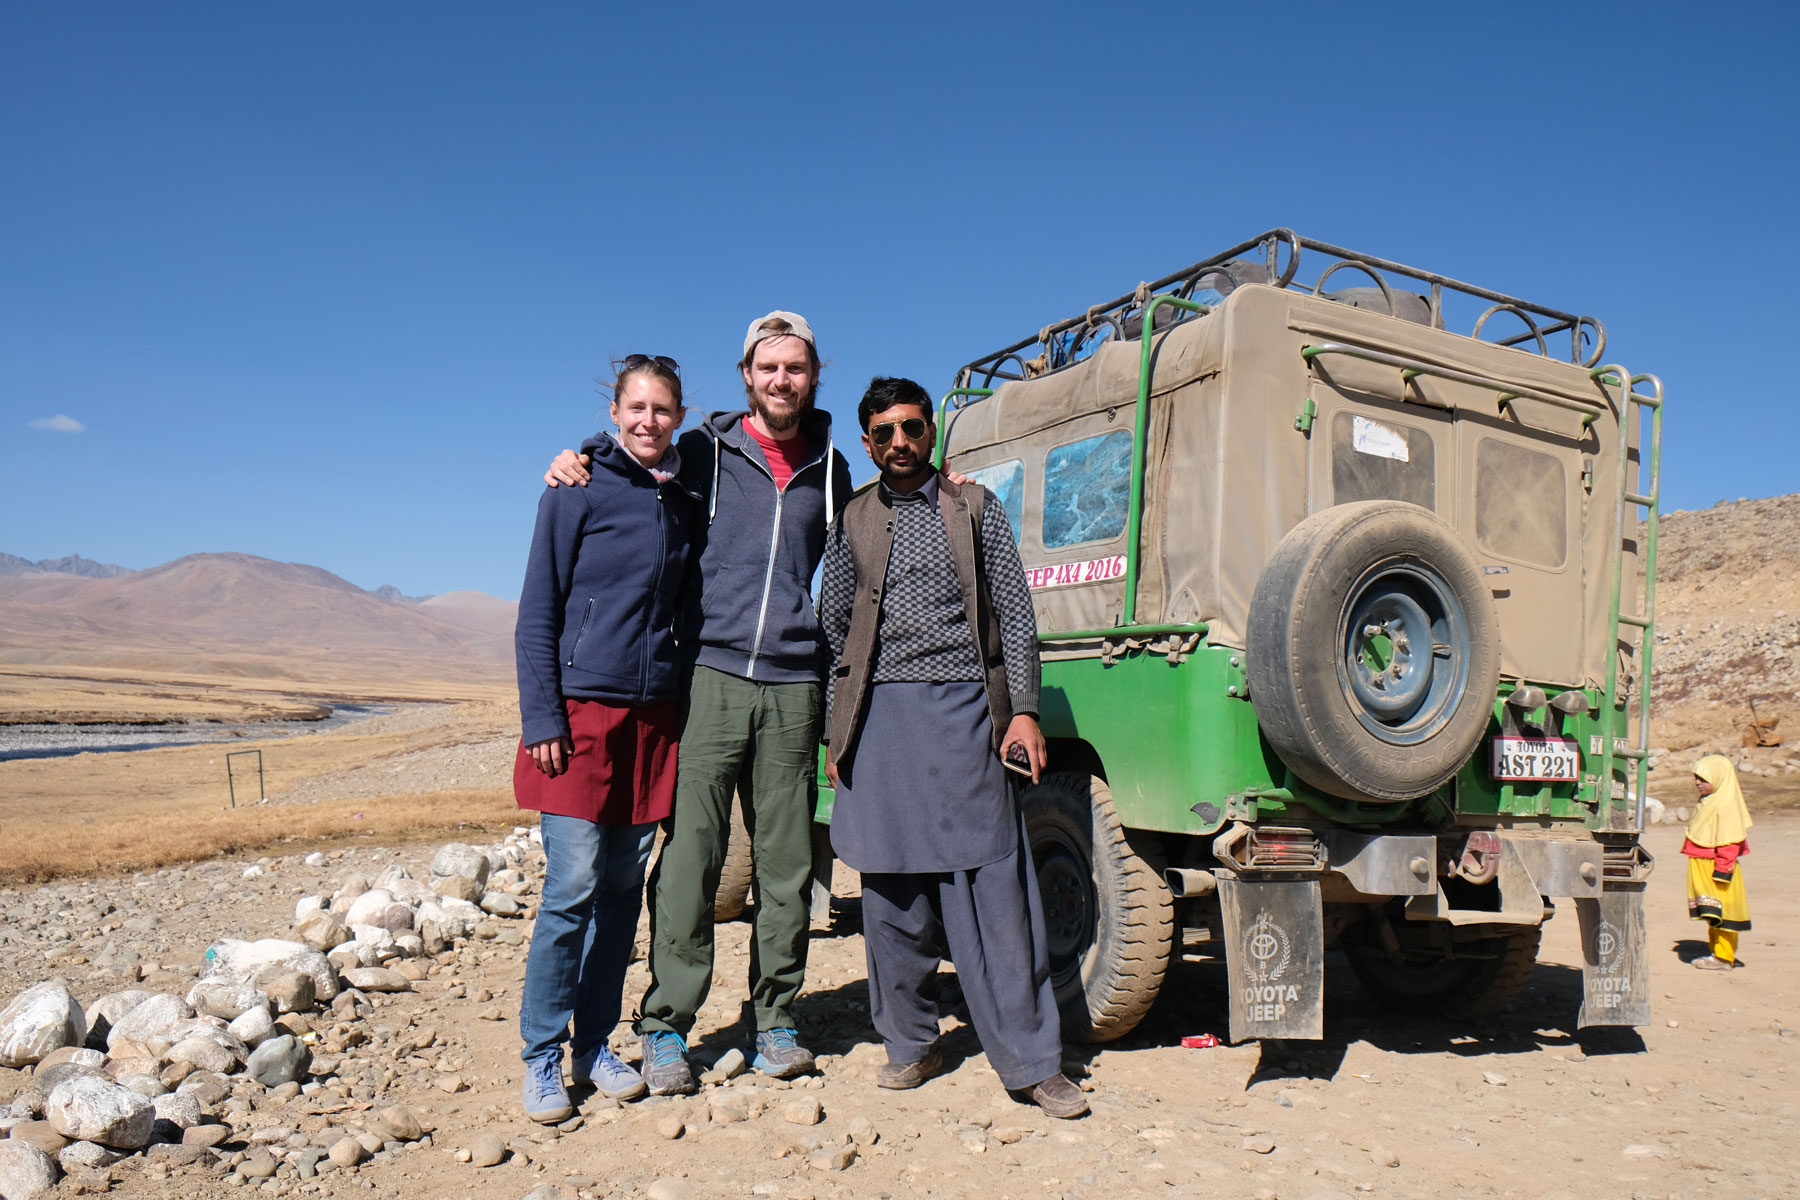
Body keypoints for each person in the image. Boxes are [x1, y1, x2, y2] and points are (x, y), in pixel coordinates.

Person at [544, 312, 853, 1093]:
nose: (782, 380)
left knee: (785, 862)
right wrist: (576, 458)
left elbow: (856, 559)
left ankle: (776, 1019)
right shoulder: (706, 452)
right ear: (746, 374)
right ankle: (668, 1026)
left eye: (796, 368)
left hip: (792, 684)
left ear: (814, 375)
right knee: (688, 861)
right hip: (708, 676)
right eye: (768, 367)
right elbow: (631, 459)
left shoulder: (832, 468)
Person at [817, 375, 1089, 1119]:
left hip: (968, 713)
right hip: (879, 725)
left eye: (911, 428)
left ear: (931, 432)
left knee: (993, 894)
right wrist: (841, 724)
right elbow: (832, 621)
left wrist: (1023, 712)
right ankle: (909, 1043)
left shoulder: (975, 508)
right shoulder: (854, 519)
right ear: (867, 443)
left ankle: (1034, 1062)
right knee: (891, 896)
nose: (899, 443)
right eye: (884, 433)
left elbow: (1016, 614)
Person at [512, 354, 700, 1123]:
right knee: (571, 887)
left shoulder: (688, 495)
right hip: (581, 713)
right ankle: (541, 1058)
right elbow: (537, 611)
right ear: (615, 412)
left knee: (624, 889)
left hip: (653, 719)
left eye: (662, 409)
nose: (648, 420)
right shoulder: (576, 486)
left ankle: (594, 1044)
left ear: (679, 417)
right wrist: (543, 717)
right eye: (637, 408)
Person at [1682, 754, 1753, 971]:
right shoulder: (1708, 801)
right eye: (1696, 778)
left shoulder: (1725, 806)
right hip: (1702, 866)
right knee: (1712, 913)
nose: (1697, 783)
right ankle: (1719, 953)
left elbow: (1730, 842)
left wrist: (1723, 870)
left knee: (1724, 914)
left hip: (1716, 869)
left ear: (1720, 779)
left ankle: (1723, 958)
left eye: (1703, 779)